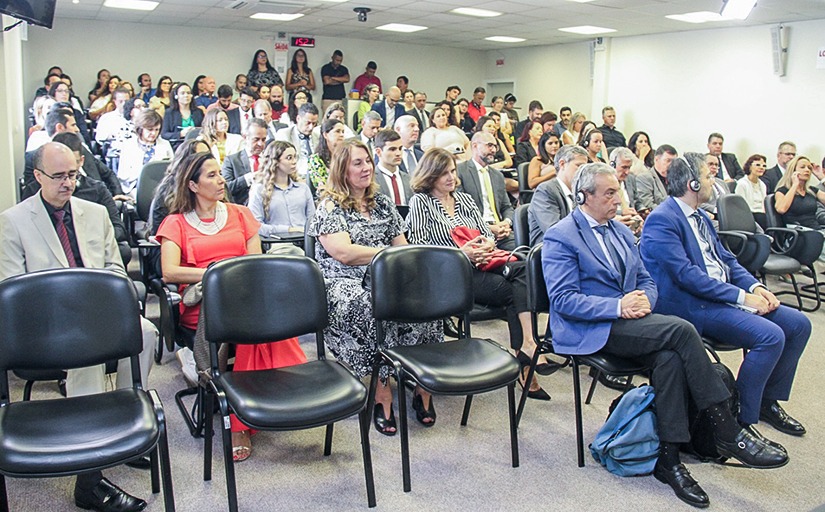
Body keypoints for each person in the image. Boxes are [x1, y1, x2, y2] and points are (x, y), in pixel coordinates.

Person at [543, 162, 788, 509]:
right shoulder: (561, 236)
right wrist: (618, 306)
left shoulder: (620, 231)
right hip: (590, 326)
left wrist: (644, 301)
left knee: (670, 359)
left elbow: (647, 280)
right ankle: (728, 430)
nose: (619, 199)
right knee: (681, 329)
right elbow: (564, 300)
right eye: (610, 193)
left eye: (619, 191)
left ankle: (668, 460)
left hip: (630, 319)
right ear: (585, 197)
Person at [0, 142, 158, 512]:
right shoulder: (14, 221)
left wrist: (104, 306)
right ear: (37, 176)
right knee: (85, 355)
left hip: (97, 312)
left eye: (73, 174)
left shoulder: (95, 213)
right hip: (47, 326)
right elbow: (12, 292)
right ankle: (91, 478)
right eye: (59, 176)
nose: (68, 183)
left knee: (146, 333)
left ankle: (123, 422)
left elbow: (115, 270)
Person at [641, 152, 810, 442]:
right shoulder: (662, 221)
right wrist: (743, 298)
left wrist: (756, 288)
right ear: (693, 183)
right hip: (694, 305)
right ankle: (738, 419)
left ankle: (767, 401)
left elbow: (728, 261)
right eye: (708, 176)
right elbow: (688, 277)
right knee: (771, 337)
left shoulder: (701, 216)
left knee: (798, 325)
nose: (713, 181)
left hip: (722, 296)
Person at [157, 151, 306, 462]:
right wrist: (218, 273)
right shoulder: (176, 223)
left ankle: (260, 399)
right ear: (193, 185)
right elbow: (169, 271)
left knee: (256, 306)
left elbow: (252, 264)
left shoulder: (239, 214)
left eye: (219, 173)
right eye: (211, 175)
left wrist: (232, 274)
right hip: (205, 305)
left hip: (245, 295)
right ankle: (242, 417)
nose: (221, 179)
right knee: (245, 310)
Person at [307, 139, 442, 435]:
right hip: (344, 283)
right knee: (373, 306)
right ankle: (382, 391)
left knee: (427, 298)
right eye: (358, 163)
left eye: (367, 161)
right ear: (342, 169)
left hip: (386, 277)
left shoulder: (382, 203)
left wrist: (405, 266)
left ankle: (422, 384)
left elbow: (402, 247)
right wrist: (386, 255)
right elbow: (345, 253)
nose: (367, 167)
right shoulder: (330, 206)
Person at [406, 148, 549, 400]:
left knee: (522, 270)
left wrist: (484, 245)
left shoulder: (464, 200)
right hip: (448, 275)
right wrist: (461, 253)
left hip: (481, 266)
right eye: (443, 173)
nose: (451, 177)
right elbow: (420, 247)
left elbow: (487, 234)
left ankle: (527, 346)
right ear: (430, 176)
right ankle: (526, 355)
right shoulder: (421, 202)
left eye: (452, 171)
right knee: (516, 290)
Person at [456, 131, 515, 251]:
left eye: (495, 146)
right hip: (476, 233)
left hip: (502, 232)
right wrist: (489, 228)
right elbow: (461, 211)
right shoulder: (460, 171)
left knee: (526, 252)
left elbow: (507, 207)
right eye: (489, 145)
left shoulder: (497, 175)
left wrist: (506, 222)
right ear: (475, 146)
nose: (493, 150)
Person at [248, 140, 314, 238]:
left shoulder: (303, 188)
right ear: (276, 161)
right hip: (278, 243)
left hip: (306, 240)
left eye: (295, 157)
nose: (294, 162)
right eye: (289, 158)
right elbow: (256, 226)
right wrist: (288, 230)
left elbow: (312, 220)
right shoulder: (259, 190)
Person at [528, 144, 588, 245]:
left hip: (576, 246)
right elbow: (555, 230)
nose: (583, 172)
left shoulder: (581, 192)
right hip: (552, 251)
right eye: (579, 166)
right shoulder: (545, 191)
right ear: (562, 164)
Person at [117, 108, 174, 196]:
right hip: (135, 186)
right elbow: (123, 174)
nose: (154, 133)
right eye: (150, 130)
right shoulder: (128, 146)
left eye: (157, 130)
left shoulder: (165, 144)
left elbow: (173, 169)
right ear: (141, 129)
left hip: (162, 186)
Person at [774, 155, 825, 237]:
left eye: (809, 168)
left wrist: (821, 177)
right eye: (802, 167)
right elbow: (781, 209)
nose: (807, 170)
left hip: (816, 231)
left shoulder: (812, 191)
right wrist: (795, 185)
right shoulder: (782, 191)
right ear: (793, 170)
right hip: (797, 234)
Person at [222, 118, 268, 206]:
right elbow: (226, 189)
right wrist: (249, 178)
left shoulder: (270, 159)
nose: (260, 144)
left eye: (263, 140)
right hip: (242, 208)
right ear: (245, 137)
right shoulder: (232, 161)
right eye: (256, 139)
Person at [275, 102, 320, 177]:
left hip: (315, 177)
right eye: (308, 123)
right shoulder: (284, 134)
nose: (311, 127)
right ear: (298, 118)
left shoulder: (318, 136)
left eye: (314, 123)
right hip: (293, 176)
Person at [635, 144, 677, 215]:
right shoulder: (644, 178)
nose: (671, 165)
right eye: (668, 161)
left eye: (674, 162)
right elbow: (648, 204)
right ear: (656, 159)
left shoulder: (676, 178)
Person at [374, 128, 412, 206]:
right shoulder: (370, 179)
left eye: (400, 148)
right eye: (392, 149)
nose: (398, 153)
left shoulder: (409, 179)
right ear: (379, 152)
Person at [307, 119, 346, 192]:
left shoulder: (346, 157)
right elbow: (322, 186)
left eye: (343, 132)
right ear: (325, 135)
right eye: (337, 131)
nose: (341, 134)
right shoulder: (315, 159)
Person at [735, 154, 769, 229]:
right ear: (750, 166)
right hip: (749, 216)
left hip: (762, 215)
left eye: (764, 166)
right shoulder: (742, 184)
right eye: (757, 165)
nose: (761, 168)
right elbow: (741, 207)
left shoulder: (762, 184)